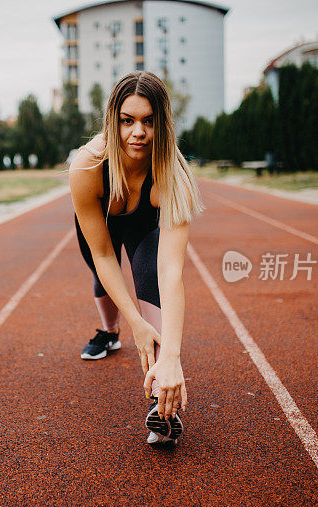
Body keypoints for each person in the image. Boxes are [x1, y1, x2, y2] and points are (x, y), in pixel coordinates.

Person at [69, 71, 205, 445]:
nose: (138, 132)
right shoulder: (87, 166)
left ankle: (163, 400)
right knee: (103, 276)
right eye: (127, 121)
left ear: (162, 123)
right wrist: (134, 323)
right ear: (113, 121)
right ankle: (109, 332)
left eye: (148, 121)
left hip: (145, 223)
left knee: (147, 272)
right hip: (104, 224)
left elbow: (171, 272)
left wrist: (173, 355)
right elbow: (102, 253)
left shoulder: (174, 176)